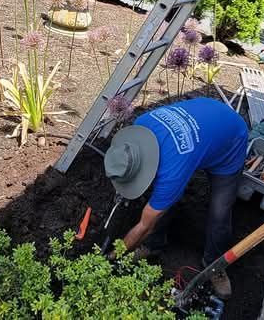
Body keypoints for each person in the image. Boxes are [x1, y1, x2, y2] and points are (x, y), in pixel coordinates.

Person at [103, 97, 248, 299]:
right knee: (164, 198)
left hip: (230, 137)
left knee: (220, 212)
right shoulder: (141, 127)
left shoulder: (171, 173)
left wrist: (112, 256)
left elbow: (145, 225)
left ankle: (214, 266)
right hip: (207, 112)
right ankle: (154, 245)